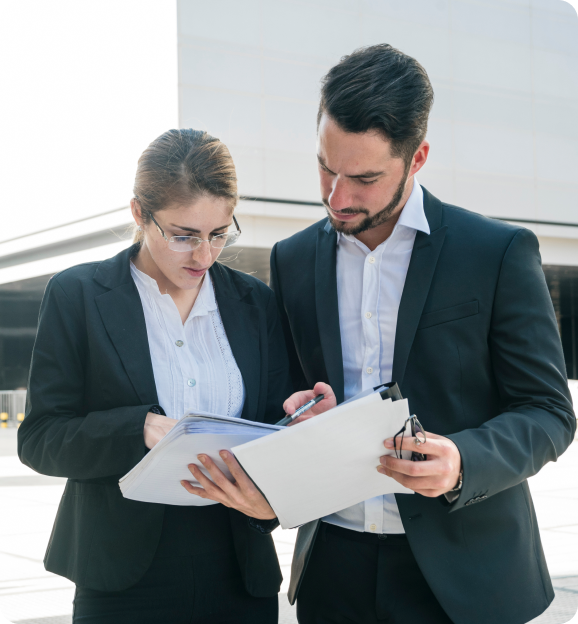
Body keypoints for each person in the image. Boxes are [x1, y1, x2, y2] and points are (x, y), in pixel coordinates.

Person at [269, 45, 576, 624]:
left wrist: (463, 459)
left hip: (468, 577)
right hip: (331, 569)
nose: (337, 197)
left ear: (418, 158)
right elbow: (285, 393)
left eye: (362, 178)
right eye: (325, 168)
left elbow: (549, 412)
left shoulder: (497, 253)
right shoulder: (290, 260)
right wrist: (299, 413)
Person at [18, 128, 294, 624]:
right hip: (122, 579)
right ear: (139, 214)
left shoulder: (256, 303)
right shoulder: (77, 296)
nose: (204, 256)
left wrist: (299, 423)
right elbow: (39, 439)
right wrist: (135, 428)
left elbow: (273, 426)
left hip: (239, 572)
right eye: (184, 236)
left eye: (219, 233)